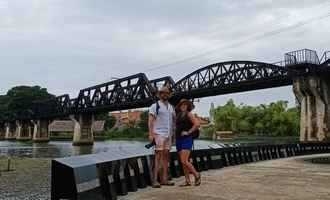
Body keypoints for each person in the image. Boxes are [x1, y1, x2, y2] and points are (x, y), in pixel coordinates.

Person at [148, 86, 175, 188]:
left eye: (167, 93)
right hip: (158, 134)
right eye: (163, 93)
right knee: (158, 157)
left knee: (166, 157)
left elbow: (173, 122)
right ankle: (154, 180)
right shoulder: (155, 106)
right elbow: (150, 121)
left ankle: (164, 179)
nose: (165, 94)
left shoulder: (171, 107)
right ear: (159, 94)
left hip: (168, 135)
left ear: (169, 94)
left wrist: (173, 136)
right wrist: (151, 134)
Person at [175, 99, 201, 186]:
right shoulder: (178, 115)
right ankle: (187, 181)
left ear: (188, 106)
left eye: (185, 105)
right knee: (183, 162)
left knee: (184, 160)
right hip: (178, 140)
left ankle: (196, 175)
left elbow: (197, 124)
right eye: (182, 104)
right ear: (179, 106)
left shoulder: (189, 114)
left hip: (186, 139)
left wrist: (188, 132)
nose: (183, 106)